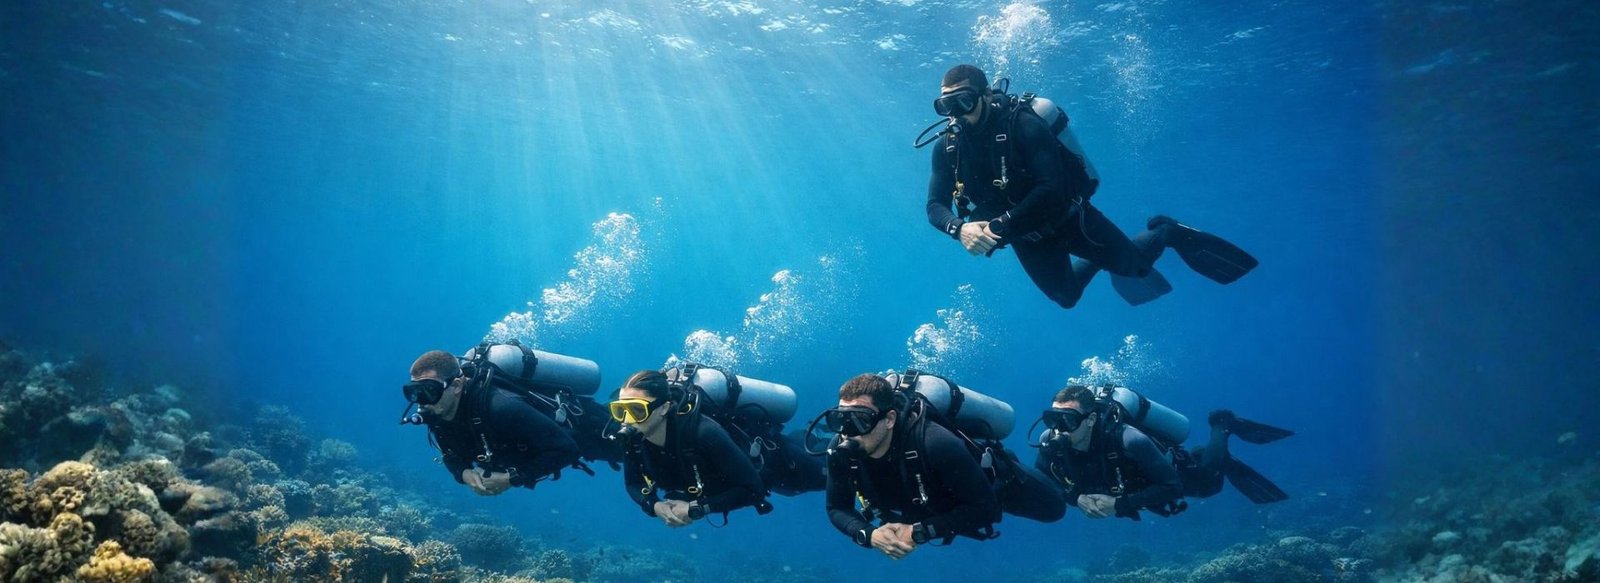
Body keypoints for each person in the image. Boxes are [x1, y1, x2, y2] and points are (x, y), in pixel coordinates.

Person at [923, 64, 1259, 308]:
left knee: (1137, 268)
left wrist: (997, 225)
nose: (954, 114)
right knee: (1066, 297)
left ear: (984, 95)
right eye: (945, 105)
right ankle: (1101, 258)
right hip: (1025, 235)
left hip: (1069, 218)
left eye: (962, 102)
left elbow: (1051, 189)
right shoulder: (948, 147)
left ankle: (1165, 231)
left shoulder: (1023, 124)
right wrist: (959, 230)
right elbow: (934, 205)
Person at [1033, 385, 1292, 520]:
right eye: (1052, 419)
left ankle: (1222, 423)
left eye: (1067, 420)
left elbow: (1173, 486)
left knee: (1210, 485)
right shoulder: (1050, 442)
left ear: (1090, 420)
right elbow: (1045, 484)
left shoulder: (1129, 439)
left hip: (1168, 472)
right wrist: (1075, 497)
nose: (1058, 429)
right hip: (1132, 484)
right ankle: (1204, 451)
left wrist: (1120, 504)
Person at [823, 373, 1000, 559]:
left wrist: (919, 531)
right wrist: (869, 535)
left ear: (889, 419)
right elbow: (836, 507)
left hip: (1002, 484)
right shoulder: (838, 451)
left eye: (861, 420)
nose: (847, 433)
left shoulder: (936, 444)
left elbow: (987, 508)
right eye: (841, 420)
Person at [403, 349, 584, 496]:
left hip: (587, 429)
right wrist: (464, 473)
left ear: (457, 386)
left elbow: (567, 448)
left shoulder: (502, 407)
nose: (421, 401)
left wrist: (511, 479)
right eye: (414, 391)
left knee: (610, 442)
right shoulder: (437, 407)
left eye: (429, 390)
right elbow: (449, 451)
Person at [611, 369, 772, 526]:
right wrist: (654, 505)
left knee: (796, 479)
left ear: (664, 408)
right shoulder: (633, 438)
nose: (627, 420)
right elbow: (632, 483)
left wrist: (696, 508)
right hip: (708, 485)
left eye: (637, 410)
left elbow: (754, 489)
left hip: (772, 464)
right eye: (620, 410)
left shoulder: (704, 432)